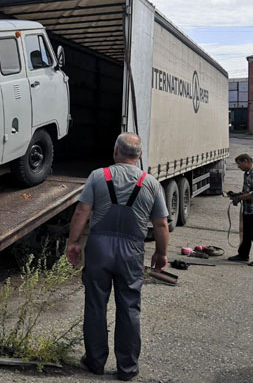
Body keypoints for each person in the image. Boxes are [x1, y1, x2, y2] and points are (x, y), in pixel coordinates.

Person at [66, 132, 169, 381]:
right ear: (140, 155)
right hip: (131, 252)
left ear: (115, 151)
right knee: (129, 308)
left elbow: (82, 211)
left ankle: (95, 361)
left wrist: (74, 242)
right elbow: (161, 224)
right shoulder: (151, 183)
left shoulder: (98, 176)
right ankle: (127, 368)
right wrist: (161, 253)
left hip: (99, 249)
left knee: (95, 306)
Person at [227, 154, 253, 267]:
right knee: (246, 233)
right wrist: (237, 194)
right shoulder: (247, 174)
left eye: (239, 164)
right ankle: (243, 255)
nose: (238, 167)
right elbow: (248, 191)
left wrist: (240, 198)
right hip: (248, 209)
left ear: (246, 161)